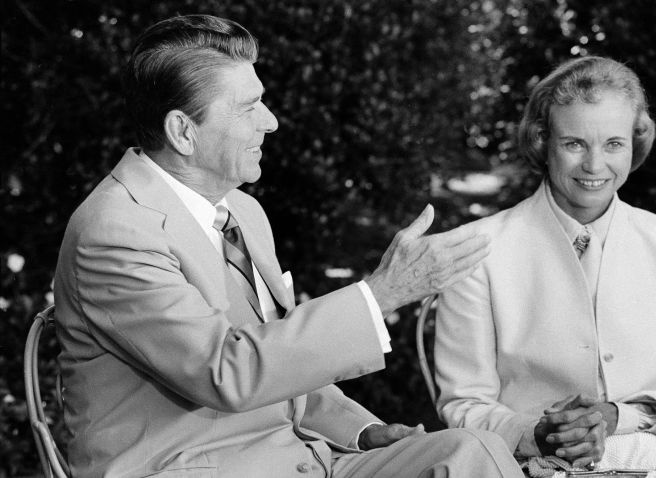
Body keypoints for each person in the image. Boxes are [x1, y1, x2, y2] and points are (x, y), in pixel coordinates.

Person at [53, 14, 526, 478]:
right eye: (247, 108)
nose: (272, 122)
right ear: (183, 131)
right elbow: (227, 370)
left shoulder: (242, 212)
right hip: (186, 467)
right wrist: (381, 294)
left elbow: (279, 364)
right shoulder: (115, 232)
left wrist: (362, 431)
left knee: (471, 449)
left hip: (299, 458)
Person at [434, 56, 656, 477]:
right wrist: (541, 434)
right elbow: (464, 403)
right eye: (574, 143)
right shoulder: (479, 250)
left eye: (613, 144)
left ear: (635, 142)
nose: (594, 166)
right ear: (542, 141)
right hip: (521, 465)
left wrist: (616, 418)